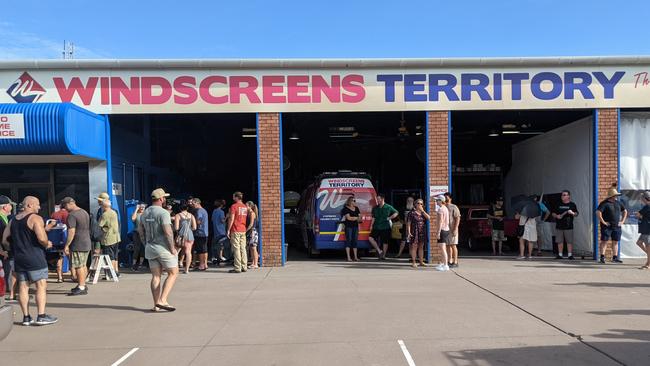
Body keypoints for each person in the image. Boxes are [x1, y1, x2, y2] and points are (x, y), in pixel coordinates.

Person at [2, 196, 58, 326]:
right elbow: (42, 238)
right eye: (37, 205)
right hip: (35, 257)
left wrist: (14, 248)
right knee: (41, 286)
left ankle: (26, 317)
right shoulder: (35, 218)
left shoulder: (13, 220)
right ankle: (41, 316)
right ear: (29, 205)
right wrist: (47, 243)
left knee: (23, 286)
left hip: (19, 258)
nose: (39, 207)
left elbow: (5, 239)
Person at [138, 188, 178, 312]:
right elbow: (168, 232)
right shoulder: (163, 213)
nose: (165, 200)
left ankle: (156, 304)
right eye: (164, 198)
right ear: (161, 199)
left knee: (156, 276)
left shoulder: (144, 213)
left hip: (150, 247)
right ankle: (163, 300)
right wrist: (172, 248)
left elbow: (140, 231)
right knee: (173, 272)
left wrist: (145, 243)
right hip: (162, 247)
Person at [60, 197, 91, 296]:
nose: (65, 208)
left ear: (69, 204)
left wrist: (67, 245)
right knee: (83, 264)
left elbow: (71, 231)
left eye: (65, 206)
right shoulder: (84, 212)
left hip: (78, 244)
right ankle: (83, 284)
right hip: (86, 242)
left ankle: (81, 286)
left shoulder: (72, 215)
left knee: (78, 266)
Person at [596, 185, 627, 264]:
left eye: (617, 195)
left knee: (615, 241)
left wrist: (622, 221)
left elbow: (625, 211)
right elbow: (598, 212)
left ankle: (615, 258)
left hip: (617, 226)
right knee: (604, 241)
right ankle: (602, 258)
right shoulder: (604, 203)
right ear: (612, 196)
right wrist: (603, 222)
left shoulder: (618, 203)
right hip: (607, 226)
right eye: (616, 195)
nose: (617, 196)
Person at [368, 194, 398, 260]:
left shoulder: (388, 207)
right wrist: (371, 226)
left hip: (385, 227)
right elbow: (373, 217)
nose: (377, 200)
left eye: (378, 199)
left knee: (385, 241)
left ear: (382, 199)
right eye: (377, 199)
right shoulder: (375, 208)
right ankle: (379, 251)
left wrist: (390, 217)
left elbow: (396, 212)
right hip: (376, 226)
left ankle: (383, 255)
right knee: (370, 238)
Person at [227, 192, 250, 273]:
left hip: (236, 229)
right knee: (243, 248)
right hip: (243, 229)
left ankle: (237, 267)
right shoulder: (245, 206)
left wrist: (228, 229)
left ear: (236, 197)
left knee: (236, 248)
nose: (233, 197)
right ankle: (244, 266)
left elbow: (232, 219)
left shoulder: (234, 206)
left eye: (233, 196)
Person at [552, 190, 579, 260]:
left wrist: (572, 213)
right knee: (559, 241)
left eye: (564, 195)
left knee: (569, 241)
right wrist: (556, 216)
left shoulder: (572, 204)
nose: (562, 196)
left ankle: (570, 255)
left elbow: (576, 214)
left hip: (568, 226)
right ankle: (560, 255)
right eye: (562, 195)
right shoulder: (558, 204)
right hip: (559, 226)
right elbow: (553, 213)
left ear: (568, 196)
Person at [98, 197, 121, 277]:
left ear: (104, 206)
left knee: (109, 256)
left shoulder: (105, 214)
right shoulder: (114, 212)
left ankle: (111, 273)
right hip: (116, 237)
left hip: (108, 238)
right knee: (115, 255)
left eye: (101, 205)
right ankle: (115, 271)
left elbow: (100, 225)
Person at [0, 195, 17, 301]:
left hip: (6, 251)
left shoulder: (5, 218)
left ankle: (10, 291)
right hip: (3, 252)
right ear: (5, 207)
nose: (11, 207)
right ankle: (10, 292)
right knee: (8, 272)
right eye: (10, 205)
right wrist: (2, 251)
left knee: (8, 272)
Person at [406, 198, 430, 268]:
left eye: (421, 204)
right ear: (415, 204)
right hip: (414, 230)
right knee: (414, 246)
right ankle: (413, 262)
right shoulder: (411, 213)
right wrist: (409, 232)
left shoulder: (423, 212)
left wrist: (422, 211)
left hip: (422, 231)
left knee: (421, 246)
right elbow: (408, 223)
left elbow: (428, 218)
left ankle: (421, 261)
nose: (420, 205)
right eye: (418, 203)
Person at [175, 204, 197, 274]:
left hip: (181, 236)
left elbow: (176, 227)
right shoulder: (191, 216)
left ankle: (175, 268)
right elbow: (194, 227)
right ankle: (186, 269)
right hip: (190, 236)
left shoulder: (178, 215)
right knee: (188, 252)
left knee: (175, 252)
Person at [50, 205, 68, 283]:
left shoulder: (54, 214)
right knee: (70, 257)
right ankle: (74, 275)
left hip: (56, 240)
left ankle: (60, 277)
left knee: (59, 258)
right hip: (65, 237)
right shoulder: (68, 214)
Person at [341, 196, 361, 262]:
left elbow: (360, 218)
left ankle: (355, 257)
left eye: (355, 201)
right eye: (354, 201)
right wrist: (356, 218)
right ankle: (348, 257)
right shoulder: (345, 209)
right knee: (348, 240)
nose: (355, 202)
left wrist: (356, 218)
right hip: (348, 227)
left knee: (355, 241)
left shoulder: (357, 208)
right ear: (350, 201)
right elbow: (348, 218)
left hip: (355, 227)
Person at [191, 198, 209, 271]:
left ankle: (201, 265)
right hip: (205, 232)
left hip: (199, 232)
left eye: (193, 203)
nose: (192, 205)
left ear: (197, 203)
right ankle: (205, 264)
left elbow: (198, 221)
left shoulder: (199, 211)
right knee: (204, 249)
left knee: (200, 250)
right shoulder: (204, 210)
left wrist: (192, 223)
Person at [434, 195, 451, 271]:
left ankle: (446, 265)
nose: (436, 201)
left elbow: (440, 221)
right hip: (446, 230)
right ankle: (442, 263)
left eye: (437, 200)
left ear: (441, 201)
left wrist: (438, 232)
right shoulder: (445, 208)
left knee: (443, 248)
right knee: (442, 248)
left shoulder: (441, 209)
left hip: (442, 230)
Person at [635, 191, 650, 269]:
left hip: (647, 229)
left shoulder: (647, 206)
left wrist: (638, 215)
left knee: (648, 246)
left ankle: (648, 264)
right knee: (639, 242)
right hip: (645, 229)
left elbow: (638, 215)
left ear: (645, 198)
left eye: (642, 198)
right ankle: (648, 256)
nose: (641, 199)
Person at [211, 199, 228, 265]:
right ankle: (220, 257)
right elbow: (222, 221)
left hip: (216, 230)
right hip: (221, 231)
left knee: (216, 244)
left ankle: (216, 257)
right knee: (221, 244)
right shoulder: (221, 212)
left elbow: (212, 220)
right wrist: (227, 217)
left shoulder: (214, 211)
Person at [131, 204, 146, 271]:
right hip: (136, 233)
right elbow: (133, 219)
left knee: (143, 248)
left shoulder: (146, 214)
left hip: (144, 233)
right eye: (141, 207)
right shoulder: (136, 214)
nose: (142, 208)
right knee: (137, 248)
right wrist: (136, 209)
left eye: (143, 207)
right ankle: (134, 264)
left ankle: (140, 264)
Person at [246, 201, 259, 268]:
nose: (245, 207)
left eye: (246, 205)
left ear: (250, 206)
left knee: (254, 248)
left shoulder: (252, 213)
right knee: (251, 248)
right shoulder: (248, 213)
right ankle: (253, 263)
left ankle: (256, 263)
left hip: (253, 232)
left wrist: (246, 230)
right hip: (251, 232)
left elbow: (251, 224)